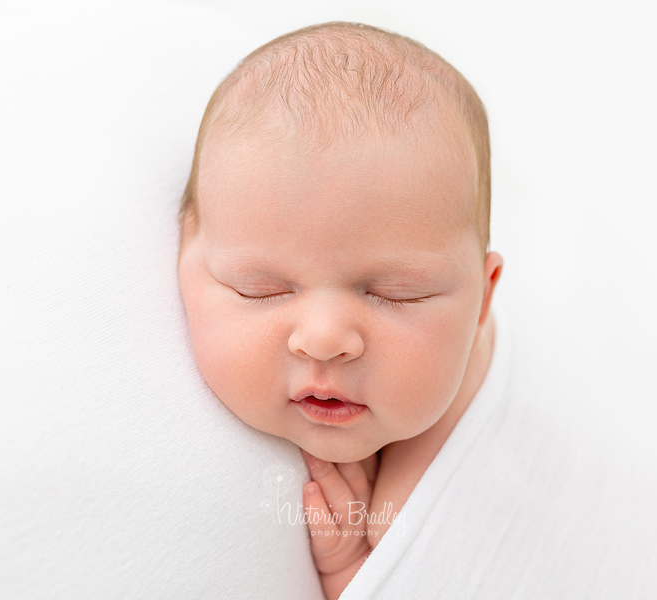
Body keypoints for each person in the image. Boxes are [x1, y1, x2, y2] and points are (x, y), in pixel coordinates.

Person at [176, 21, 500, 599]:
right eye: (261, 288)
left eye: (398, 293)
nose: (324, 339)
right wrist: (353, 569)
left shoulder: (476, 437)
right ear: (181, 258)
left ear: (484, 299)